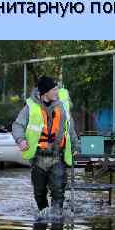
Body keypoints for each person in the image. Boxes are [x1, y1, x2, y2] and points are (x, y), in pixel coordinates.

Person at [13, 76, 79, 214]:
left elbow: (70, 129)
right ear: (45, 92)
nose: (57, 92)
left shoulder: (62, 106)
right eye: (54, 89)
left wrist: (76, 147)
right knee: (39, 193)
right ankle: (43, 217)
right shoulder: (30, 107)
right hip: (38, 158)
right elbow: (17, 125)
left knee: (58, 191)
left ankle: (57, 221)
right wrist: (21, 140)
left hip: (57, 157)